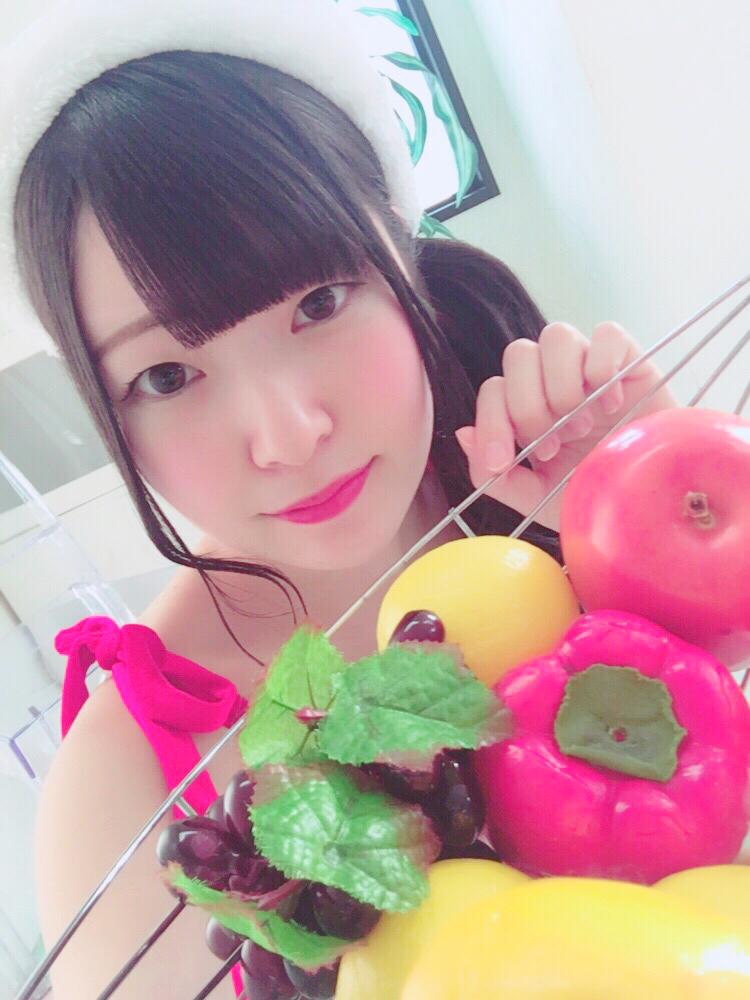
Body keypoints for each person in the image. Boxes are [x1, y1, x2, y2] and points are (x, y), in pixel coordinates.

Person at [0, 1, 677, 996]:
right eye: (167, 376)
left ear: (400, 250)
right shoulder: (122, 799)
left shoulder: (580, 498)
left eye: (317, 303)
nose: (287, 436)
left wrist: (662, 542)